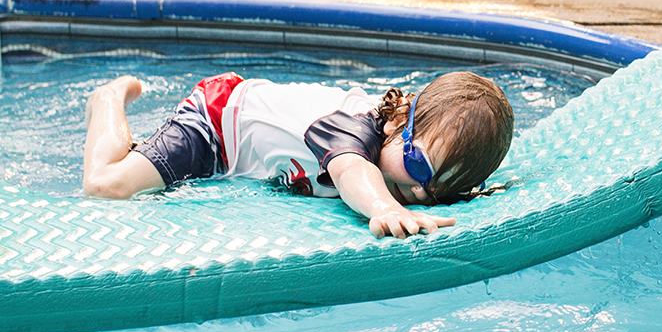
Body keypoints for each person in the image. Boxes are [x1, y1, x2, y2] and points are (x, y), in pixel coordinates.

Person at [80, 70, 514, 238]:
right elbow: (350, 171)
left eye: (441, 188)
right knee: (107, 185)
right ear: (399, 120)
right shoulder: (351, 127)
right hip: (217, 123)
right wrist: (382, 206)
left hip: (244, 154)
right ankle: (107, 99)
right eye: (418, 164)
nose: (419, 190)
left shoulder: (409, 161)